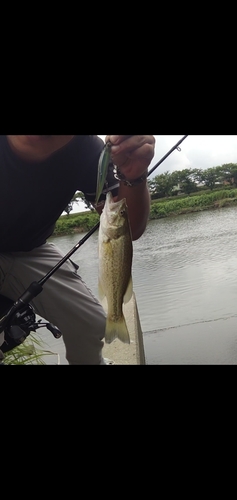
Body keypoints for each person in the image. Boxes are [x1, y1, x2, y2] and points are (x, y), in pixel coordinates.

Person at [0, 135, 156, 364]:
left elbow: (130, 227)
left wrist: (134, 176)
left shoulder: (89, 150)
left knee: (90, 324)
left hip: (30, 250)